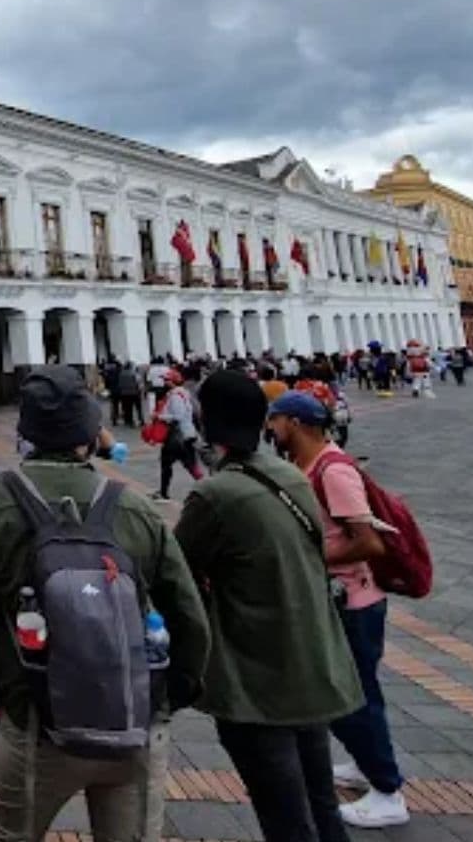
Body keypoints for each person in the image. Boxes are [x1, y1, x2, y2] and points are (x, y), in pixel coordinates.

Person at [0, 365, 209, 842]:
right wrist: (165, 701)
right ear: (91, 435)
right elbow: (190, 616)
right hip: (133, 722)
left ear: (25, 432)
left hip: (36, 719)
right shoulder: (132, 506)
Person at [174, 369, 364, 842]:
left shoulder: (216, 493)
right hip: (310, 661)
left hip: (258, 675)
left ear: (206, 420)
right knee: (321, 802)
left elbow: (174, 573)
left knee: (283, 813)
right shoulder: (288, 476)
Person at [266, 390, 409, 829]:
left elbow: (368, 541)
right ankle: (368, 764)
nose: (270, 430)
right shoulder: (310, 465)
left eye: (275, 421)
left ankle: (388, 791)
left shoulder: (333, 468)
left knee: (352, 699)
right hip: (338, 598)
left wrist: (309, 560)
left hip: (354, 601)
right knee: (357, 692)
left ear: (294, 422)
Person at [155, 369, 200, 501]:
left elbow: (177, 416)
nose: (164, 382)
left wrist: (160, 416)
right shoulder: (184, 394)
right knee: (189, 464)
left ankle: (164, 493)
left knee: (170, 464)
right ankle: (163, 492)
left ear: (173, 382)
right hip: (186, 433)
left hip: (177, 436)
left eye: (166, 380)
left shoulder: (175, 396)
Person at [114, 360, 144, 428]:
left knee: (128, 409)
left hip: (124, 394)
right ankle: (141, 420)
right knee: (138, 408)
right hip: (135, 393)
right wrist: (141, 391)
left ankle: (129, 421)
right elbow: (139, 383)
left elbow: (119, 384)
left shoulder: (121, 374)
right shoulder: (134, 373)